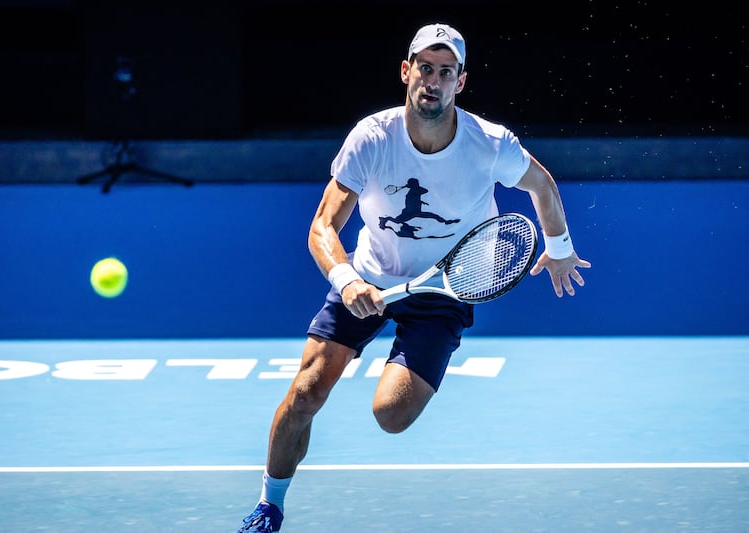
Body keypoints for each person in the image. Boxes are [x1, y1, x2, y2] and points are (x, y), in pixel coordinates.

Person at [237, 22, 592, 532]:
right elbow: (323, 226)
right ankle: (269, 506)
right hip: (367, 275)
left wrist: (560, 249)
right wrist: (347, 281)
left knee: (391, 415)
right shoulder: (372, 138)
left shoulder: (489, 143)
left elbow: (541, 183)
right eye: (425, 68)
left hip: (447, 287)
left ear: (460, 83)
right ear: (406, 72)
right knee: (308, 390)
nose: (433, 79)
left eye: (446, 72)